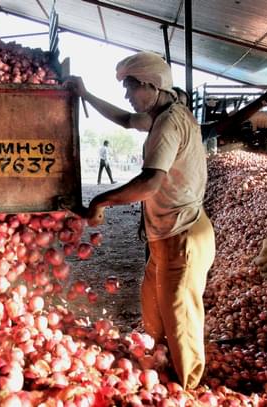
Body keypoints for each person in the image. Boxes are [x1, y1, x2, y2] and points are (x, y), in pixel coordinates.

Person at [66, 52, 215, 389]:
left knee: (180, 318)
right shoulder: (164, 111)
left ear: (153, 85)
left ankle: (187, 389)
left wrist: (101, 200)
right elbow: (124, 119)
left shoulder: (168, 123)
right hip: (166, 235)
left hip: (184, 235)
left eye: (131, 87)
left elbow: (150, 182)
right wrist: (86, 95)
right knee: (153, 309)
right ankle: (160, 366)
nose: (127, 95)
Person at [173, 66, 267, 150]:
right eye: (173, 105)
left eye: (182, 106)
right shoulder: (160, 135)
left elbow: (234, 120)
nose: (177, 112)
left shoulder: (194, 132)